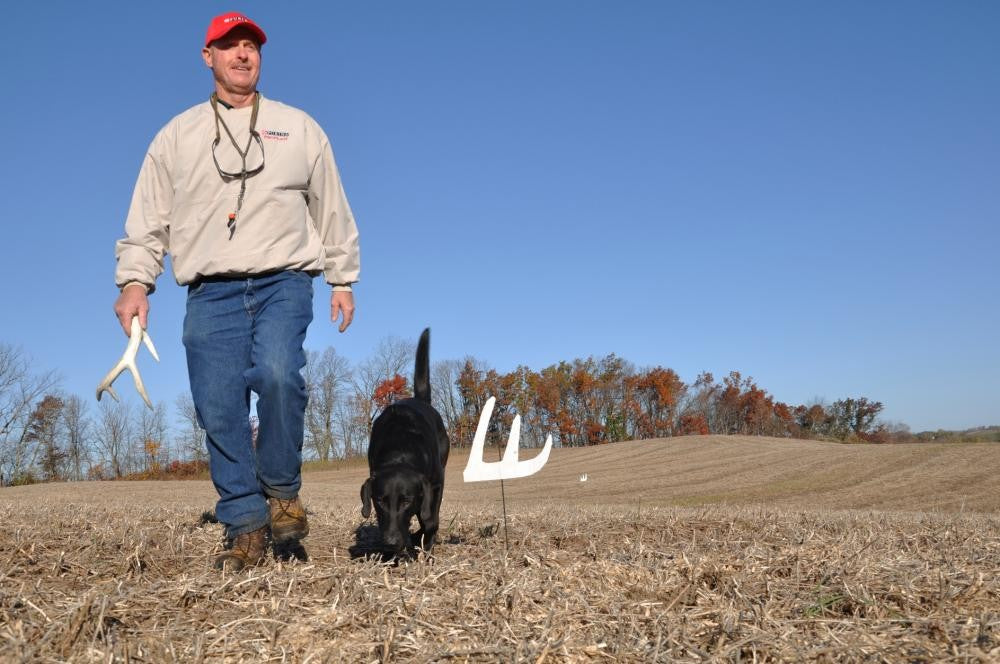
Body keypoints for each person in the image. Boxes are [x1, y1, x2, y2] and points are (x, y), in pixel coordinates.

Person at [112, 12, 360, 570]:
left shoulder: (299, 127)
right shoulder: (176, 136)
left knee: (277, 375)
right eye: (229, 47)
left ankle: (282, 491)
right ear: (208, 57)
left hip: (284, 280)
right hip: (209, 291)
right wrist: (135, 280)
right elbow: (147, 220)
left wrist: (342, 277)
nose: (242, 55)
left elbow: (332, 207)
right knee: (218, 407)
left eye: (250, 45)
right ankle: (246, 525)